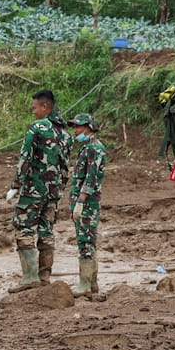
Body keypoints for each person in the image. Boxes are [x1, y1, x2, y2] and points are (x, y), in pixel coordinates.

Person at [6, 92, 67, 288]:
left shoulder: (37, 128)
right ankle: (44, 277)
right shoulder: (65, 134)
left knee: (23, 227)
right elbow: (65, 167)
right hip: (54, 191)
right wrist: (59, 190)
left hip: (34, 188)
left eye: (35, 108)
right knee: (46, 230)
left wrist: (16, 184)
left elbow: (26, 157)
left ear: (45, 107)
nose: (33, 111)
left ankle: (30, 277)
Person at [65, 115, 107, 295]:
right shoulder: (88, 148)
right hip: (83, 202)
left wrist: (80, 202)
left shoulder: (94, 149)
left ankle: (85, 284)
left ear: (88, 127)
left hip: (87, 203)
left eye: (78, 127)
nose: (75, 130)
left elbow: (91, 178)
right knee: (87, 240)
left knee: (85, 241)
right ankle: (92, 283)